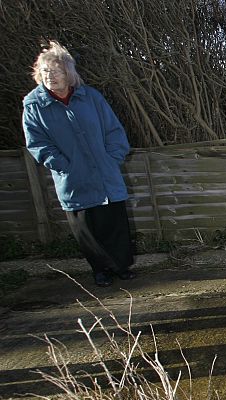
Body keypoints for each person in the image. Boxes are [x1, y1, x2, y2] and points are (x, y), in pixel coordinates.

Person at [22, 41, 135, 288]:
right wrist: (62, 164)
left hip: (105, 172)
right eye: (45, 72)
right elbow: (37, 143)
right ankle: (100, 270)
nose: (49, 76)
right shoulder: (33, 105)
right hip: (73, 178)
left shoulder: (90, 97)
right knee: (87, 228)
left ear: (69, 74)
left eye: (56, 71)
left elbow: (113, 130)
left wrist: (112, 158)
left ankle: (121, 267)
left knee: (114, 223)